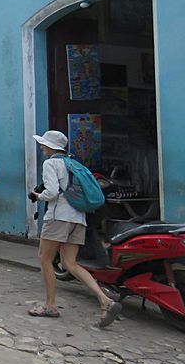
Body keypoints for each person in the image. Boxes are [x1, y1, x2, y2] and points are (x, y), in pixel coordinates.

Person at [27, 130, 122, 327]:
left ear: (51, 147)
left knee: (45, 259)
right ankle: (105, 301)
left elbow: (52, 192)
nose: (42, 147)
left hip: (58, 217)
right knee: (71, 264)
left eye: (44, 144)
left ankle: (50, 305)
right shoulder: (74, 164)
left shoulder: (51, 163)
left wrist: (39, 196)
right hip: (78, 218)